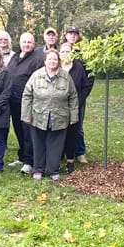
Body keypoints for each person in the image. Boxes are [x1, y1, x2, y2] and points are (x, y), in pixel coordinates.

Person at [22, 49, 79, 181]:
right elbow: (27, 95)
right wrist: (26, 115)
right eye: (50, 59)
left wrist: (74, 116)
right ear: (45, 61)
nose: (52, 61)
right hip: (38, 115)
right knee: (38, 143)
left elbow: (73, 97)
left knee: (56, 144)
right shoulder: (36, 75)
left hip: (60, 116)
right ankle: (38, 169)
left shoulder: (65, 76)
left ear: (58, 61)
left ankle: (53, 170)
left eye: (55, 59)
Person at [6, 32, 44, 174]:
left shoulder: (37, 59)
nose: (26, 44)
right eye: (24, 42)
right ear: (20, 43)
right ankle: (22, 157)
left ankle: (30, 161)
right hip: (14, 101)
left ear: (34, 44)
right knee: (18, 129)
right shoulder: (15, 56)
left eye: (29, 42)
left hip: (29, 101)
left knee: (28, 132)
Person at [60, 42, 94, 172]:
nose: (65, 54)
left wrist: (78, 101)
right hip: (59, 106)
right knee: (59, 129)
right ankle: (59, 155)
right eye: (62, 52)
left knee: (74, 129)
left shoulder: (79, 66)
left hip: (76, 104)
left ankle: (72, 156)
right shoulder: (55, 67)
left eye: (68, 51)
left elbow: (85, 85)